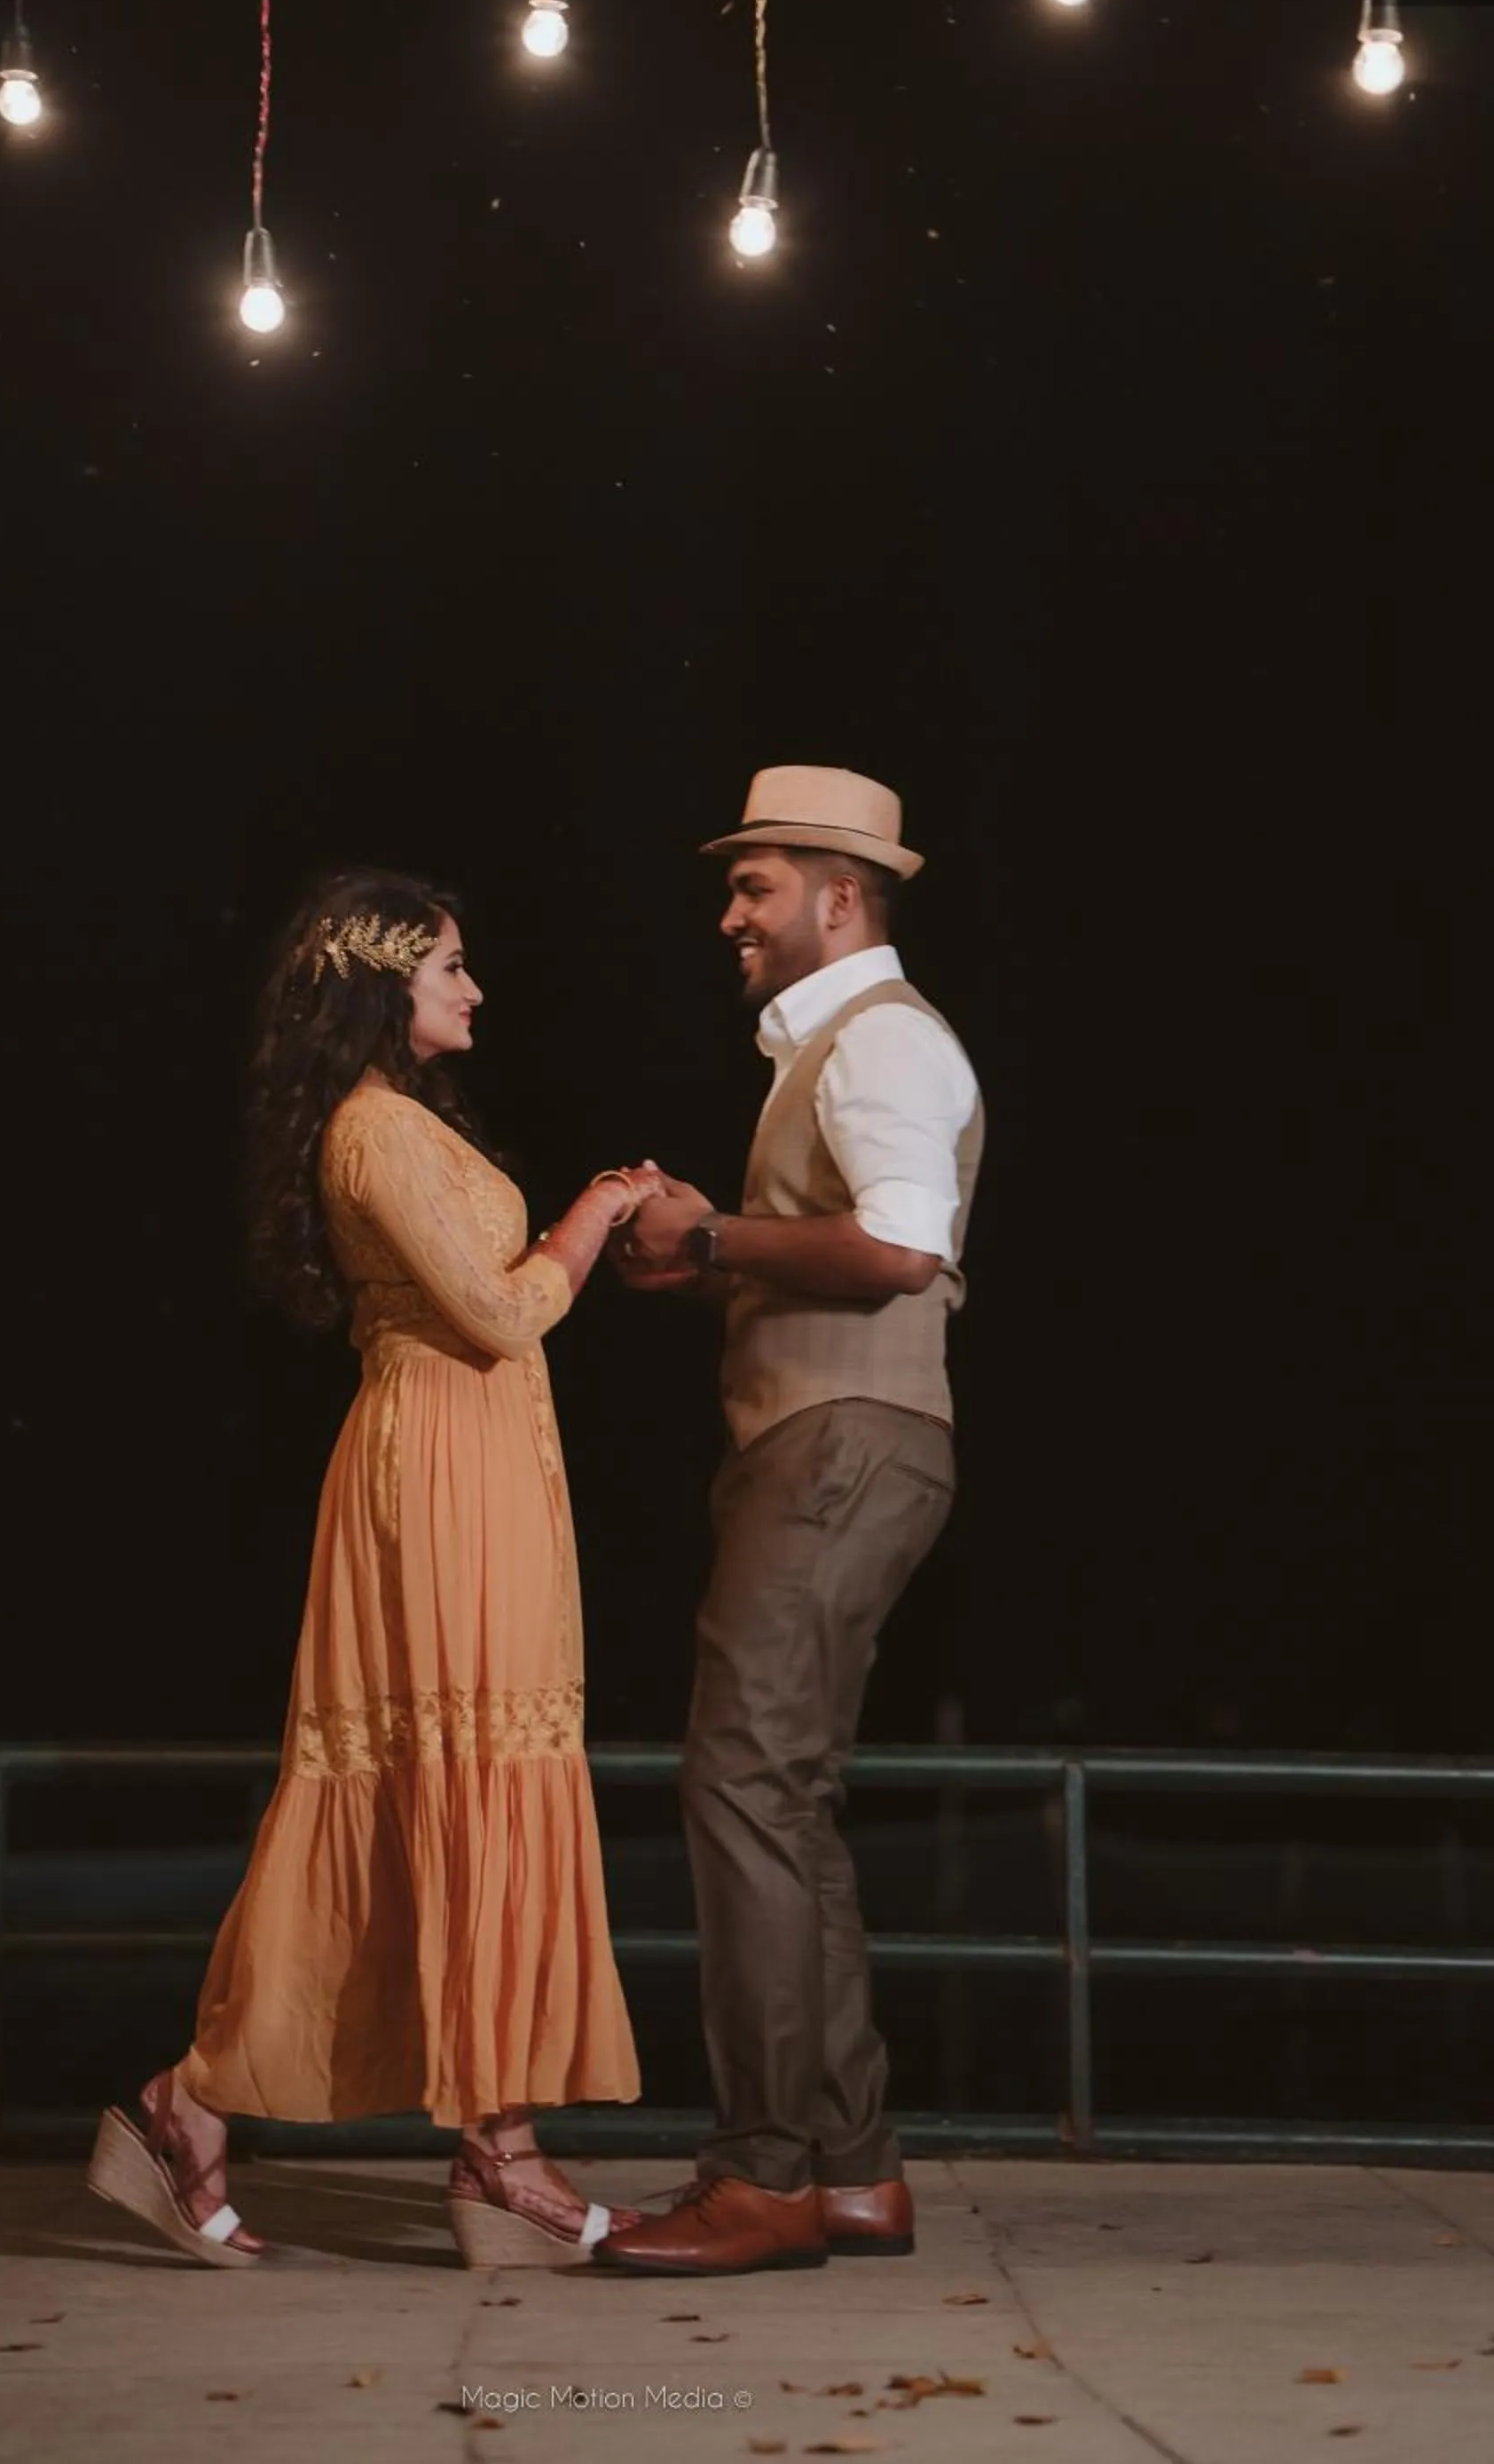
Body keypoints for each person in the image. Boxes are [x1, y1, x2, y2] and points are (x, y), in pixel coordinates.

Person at [88, 869, 657, 2270]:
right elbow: (496, 1311)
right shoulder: (372, 1132)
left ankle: (484, 2148)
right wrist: (593, 1213)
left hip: (485, 1469)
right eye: (451, 966)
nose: (474, 991)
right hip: (435, 1479)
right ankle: (227, 2108)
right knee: (447, 1781)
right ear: (383, 980)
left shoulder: (409, 1123)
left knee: (490, 1780)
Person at [594, 766, 983, 2279]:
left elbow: (897, 1249)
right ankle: (851, 2171)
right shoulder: (839, 1048)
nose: (729, 913)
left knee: (741, 1785)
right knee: (783, 1799)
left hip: (838, 1443)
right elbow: (853, 1245)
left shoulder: (880, 1040)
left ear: (840, 893)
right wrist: (717, 1260)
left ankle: (763, 2176)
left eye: (755, 887)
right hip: (836, 1441)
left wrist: (717, 1235)